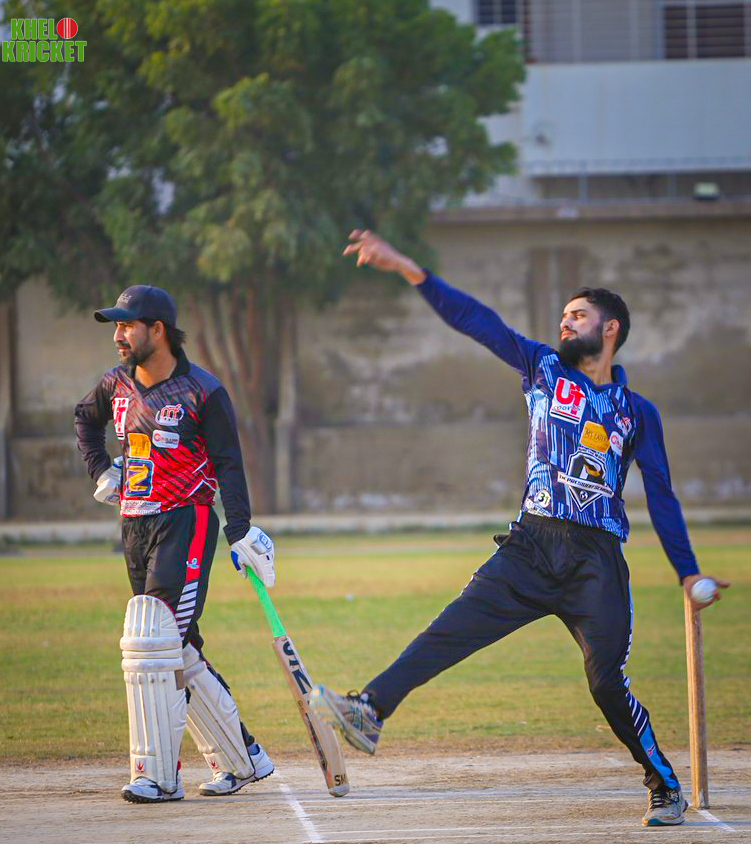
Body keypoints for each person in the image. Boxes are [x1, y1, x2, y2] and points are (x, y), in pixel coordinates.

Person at [312, 230, 731, 828]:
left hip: (595, 562)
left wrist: (687, 573)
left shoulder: (638, 413)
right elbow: (474, 320)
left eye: (578, 315)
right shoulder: (541, 367)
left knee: (606, 684)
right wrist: (406, 267)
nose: (566, 322)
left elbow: (661, 495)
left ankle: (663, 784)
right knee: (450, 629)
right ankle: (370, 710)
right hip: (530, 546)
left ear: (610, 328)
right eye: (563, 315)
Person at [75, 284, 276, 803]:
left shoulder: (202, 391)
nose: (118, 336)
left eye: (126, 326)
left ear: (157, 330)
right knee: (177, 647)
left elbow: (229, 464)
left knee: (154, 643)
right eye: (116, 326)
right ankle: (243, 757)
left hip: (186, 522)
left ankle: (158, 777)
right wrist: (101, 470)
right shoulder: (115, 384)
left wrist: (240, 531)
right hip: (134, 525)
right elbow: (85, 420)